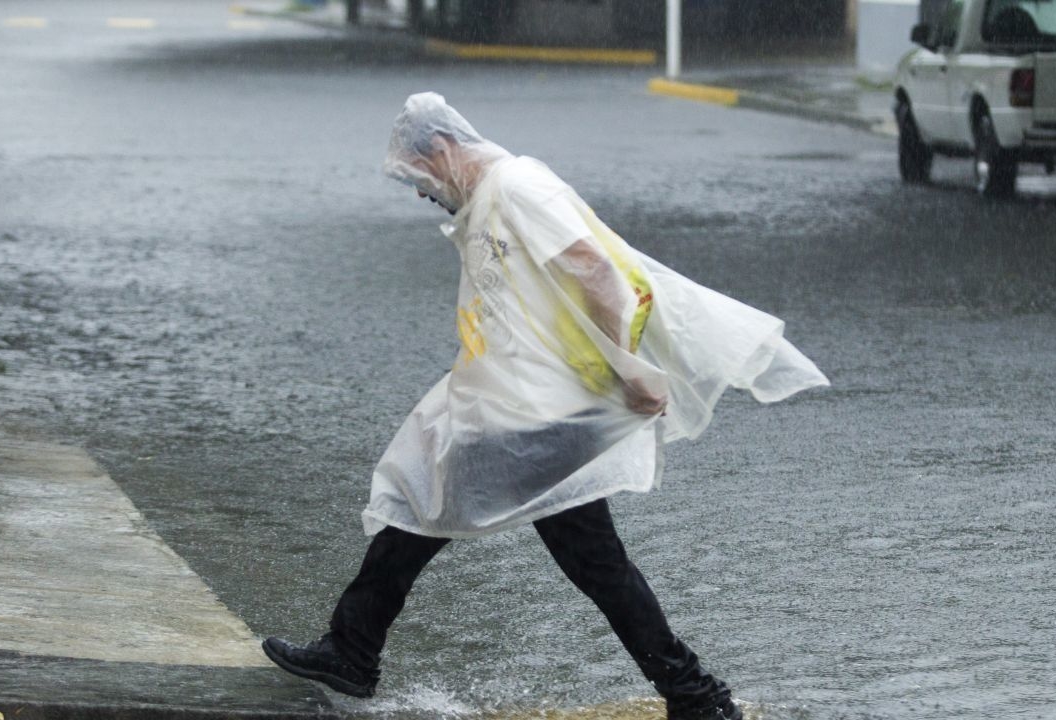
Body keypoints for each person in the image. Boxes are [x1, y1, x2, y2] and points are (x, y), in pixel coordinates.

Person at [263, 92, 829, 720]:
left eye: (421, 179)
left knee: (444, 512)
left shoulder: (518, 186)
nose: (423, 194)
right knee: (482, 524)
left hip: (542, 413)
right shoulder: (488, 198)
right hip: (520, 402)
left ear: (443, 151)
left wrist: (630, 370)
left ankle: (354, 648)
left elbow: (596, 272)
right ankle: (695, 695)